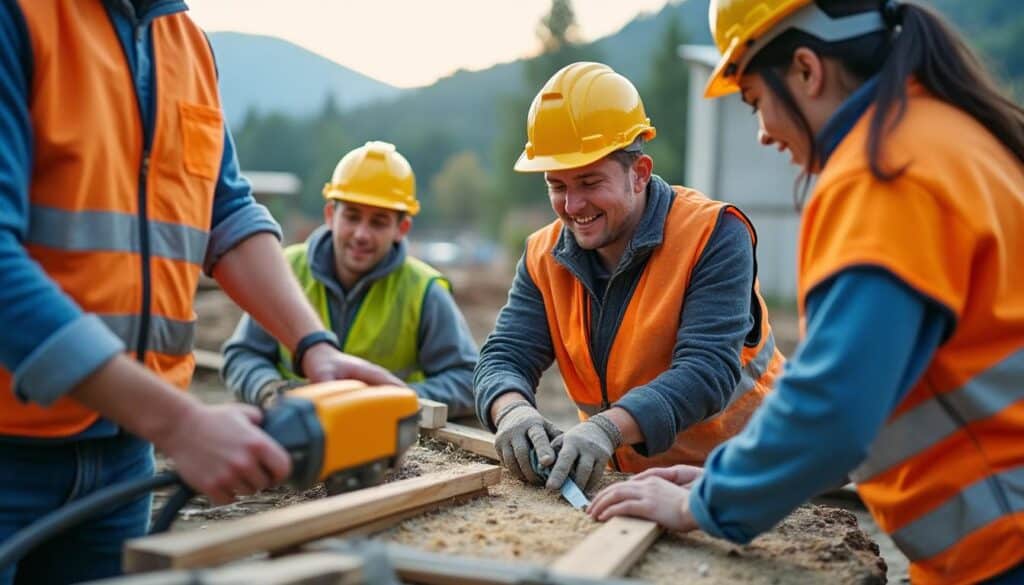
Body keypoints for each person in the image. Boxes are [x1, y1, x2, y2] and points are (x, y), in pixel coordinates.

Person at [588, 1, 1024, 583]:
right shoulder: (952, 138)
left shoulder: (884, 175)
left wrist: (703, 505)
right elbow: (875, 392)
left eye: (755, 102)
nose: (764, 132)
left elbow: (834, 407)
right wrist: (726, 478)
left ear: (806, 70)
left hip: (1001, 553)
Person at [0, 1, 401, 582]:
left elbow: (226, 213)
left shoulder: (184, 41)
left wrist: (315, 347)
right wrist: (179, 424)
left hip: (123, 456)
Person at [474, 62, 784, 495]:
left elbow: (706, 371)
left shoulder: (712, 234)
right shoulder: (542, 255)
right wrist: (511, 412)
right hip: (633, 481)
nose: (572, 204)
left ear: (638, 172)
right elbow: (504, 354)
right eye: (557, 185)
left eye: (589, 181)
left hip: (750, 477)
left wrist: (606, 429)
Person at [222, 141, 478, 417]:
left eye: (378, 222)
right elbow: (242, 356)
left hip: (382, 438)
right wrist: (271, 391)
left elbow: (467, 380)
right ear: (331, 215)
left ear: (401, 228)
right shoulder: (286, 270)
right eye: (352, 217)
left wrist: (389, 400)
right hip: (293, 424)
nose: (361, 234)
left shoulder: (423, 291)